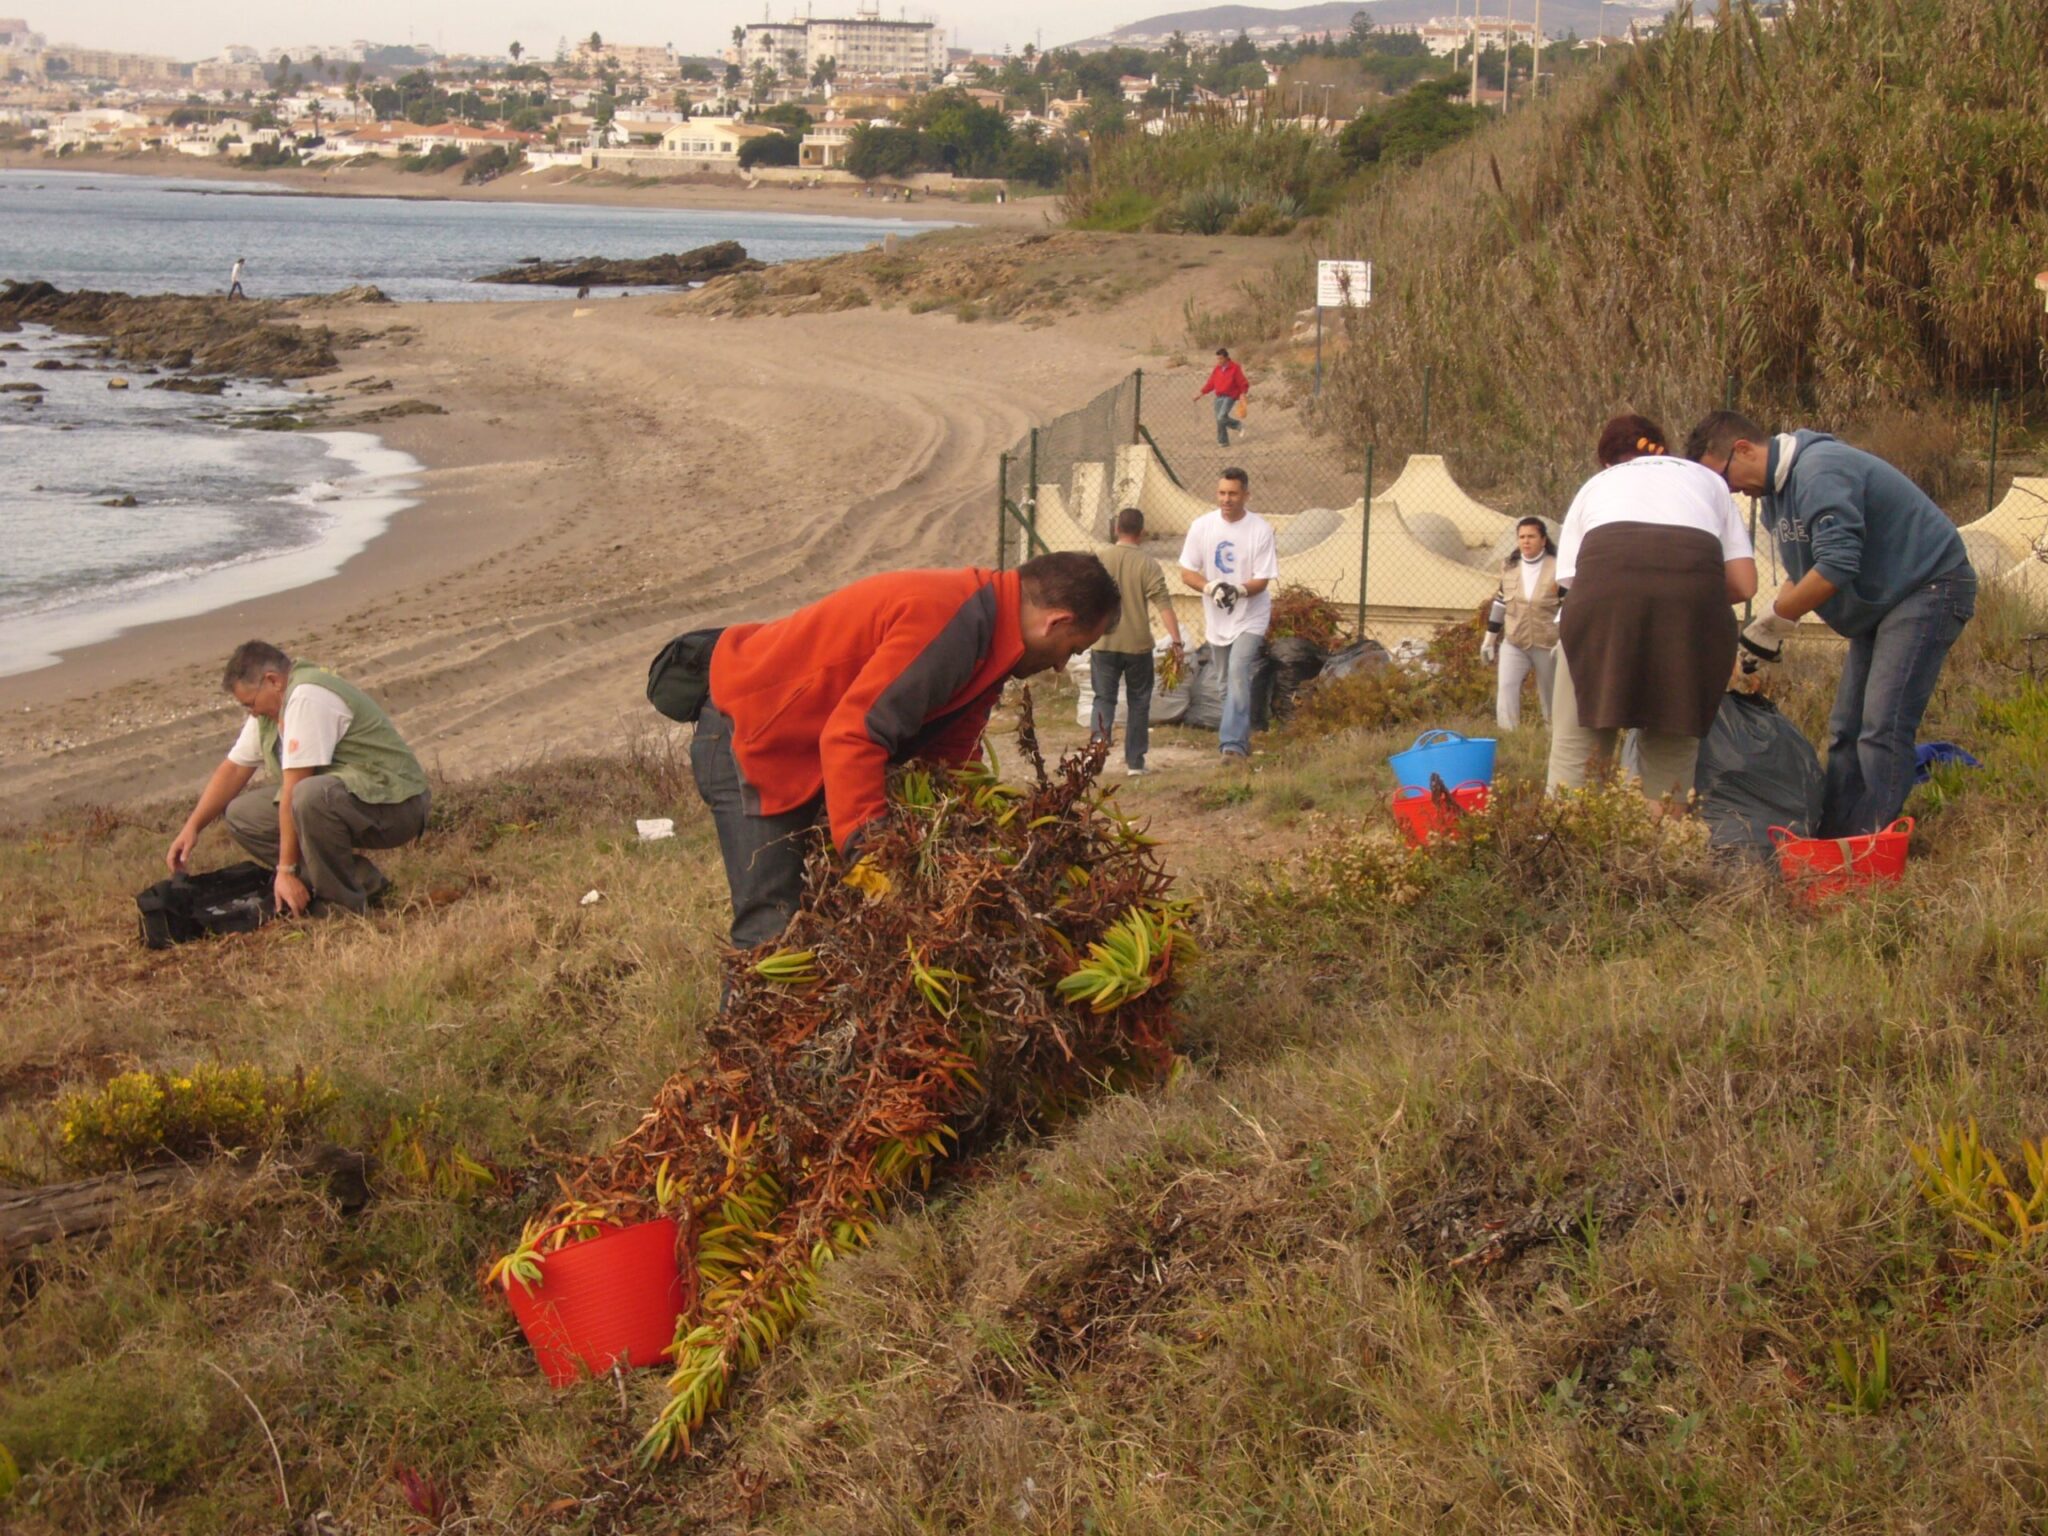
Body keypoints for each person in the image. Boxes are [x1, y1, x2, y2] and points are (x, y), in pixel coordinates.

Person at [690, 552, 1119, 947]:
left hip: (805, 745)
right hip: (752, 735)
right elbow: (854, 734)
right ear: (1057, 622)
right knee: (772, 930)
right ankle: (745, 1029)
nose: (1063, 664)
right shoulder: (951, 618)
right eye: (1074, 649)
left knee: (820, 923)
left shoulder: (992, 635)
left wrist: (972, 825)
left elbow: (952, 750)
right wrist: (868, 851)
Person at [1685, 410, 1977, 836]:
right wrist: (1761, 631)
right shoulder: (1775, 495)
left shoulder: (1820, 470)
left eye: (1725, 479)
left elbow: (1838, 564)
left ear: (1743, 449)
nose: (1733, 492)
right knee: (1846, 729)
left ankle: (1868, 844)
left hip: (1928, 587)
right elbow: (1802, 571)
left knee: (1881, 726)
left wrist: (1776, 621)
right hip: (1884, 602)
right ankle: (1833, 837)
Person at [1547, 415, 1758, 802]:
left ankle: (1568, 844)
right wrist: (1686, 596)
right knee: (1671, 745)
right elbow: (1745, 584)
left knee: (1578, 746)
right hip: (1693, 611)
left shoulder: (1597, 485)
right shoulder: (1707, 481)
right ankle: (1665, 849)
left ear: (1608, 463)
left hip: (1602, 601)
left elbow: (1576, 582)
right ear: (1664, 449)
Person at [166, 641, 431, 916]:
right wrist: (192, 827)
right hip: (352, 798)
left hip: (398, 806)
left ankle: (342, 907)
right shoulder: (272, 708)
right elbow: (233, 769)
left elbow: (294, 791)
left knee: (309, 796)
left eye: (250, 704)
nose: (252, 712)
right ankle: (364, 883)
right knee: (243, 815)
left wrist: (286, 870)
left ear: (272, 681)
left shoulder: (307, 697)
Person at [1178, 467, 1278, 763]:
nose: (1227, 499)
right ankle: (1239, 735)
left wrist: (1238, 590)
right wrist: (1211, 587)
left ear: (1246, 495)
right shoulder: (1202, 526)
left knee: (1237, 673)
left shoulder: (1259, 530)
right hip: (1218, 620)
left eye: (1233, 493)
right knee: (1223, 682)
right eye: (1222, 493)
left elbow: (1262, 580)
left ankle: (1232, 745)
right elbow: (1186, 572)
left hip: (1251, 616)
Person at [1090, 506, 1185, 778]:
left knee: (1103, 699)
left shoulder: (1101, 560)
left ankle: (1096, 753)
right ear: (1141, 533)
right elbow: (1164, 604)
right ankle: (1135, 763)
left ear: (1116, 529)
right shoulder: (1148, 564)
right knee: (1139, 703)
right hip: (1138, 645)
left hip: (1104, 643)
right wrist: (1176, 642)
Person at [1482, 516, 1561, 729]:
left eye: (1531, 536)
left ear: (1543, 540)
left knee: (1550, 696)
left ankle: (1552, 739)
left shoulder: (1558, 568)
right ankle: (1510, 736)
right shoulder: (1509, 567)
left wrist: (1565, 642)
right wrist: (1489, 639)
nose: (1526, 541)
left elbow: (1568, 607)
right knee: (1506, 686)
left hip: (1548, 644)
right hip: (1515, 641)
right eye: (1522, 537)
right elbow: (1500, 602)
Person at [1194, 347, 1249, 447]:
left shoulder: (1235, 368)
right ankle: (1223, 441)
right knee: (1219, 420)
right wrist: (1201, 393)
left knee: (1221, 416)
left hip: (1230, 396)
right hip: (1219, 396)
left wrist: (1243, 394)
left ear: (1226, 358)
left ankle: (1238, 425)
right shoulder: (1217, 369)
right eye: (1218, 359)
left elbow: (1242, 382)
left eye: (1221, 359)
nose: (1219, 361)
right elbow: (1211, 383)